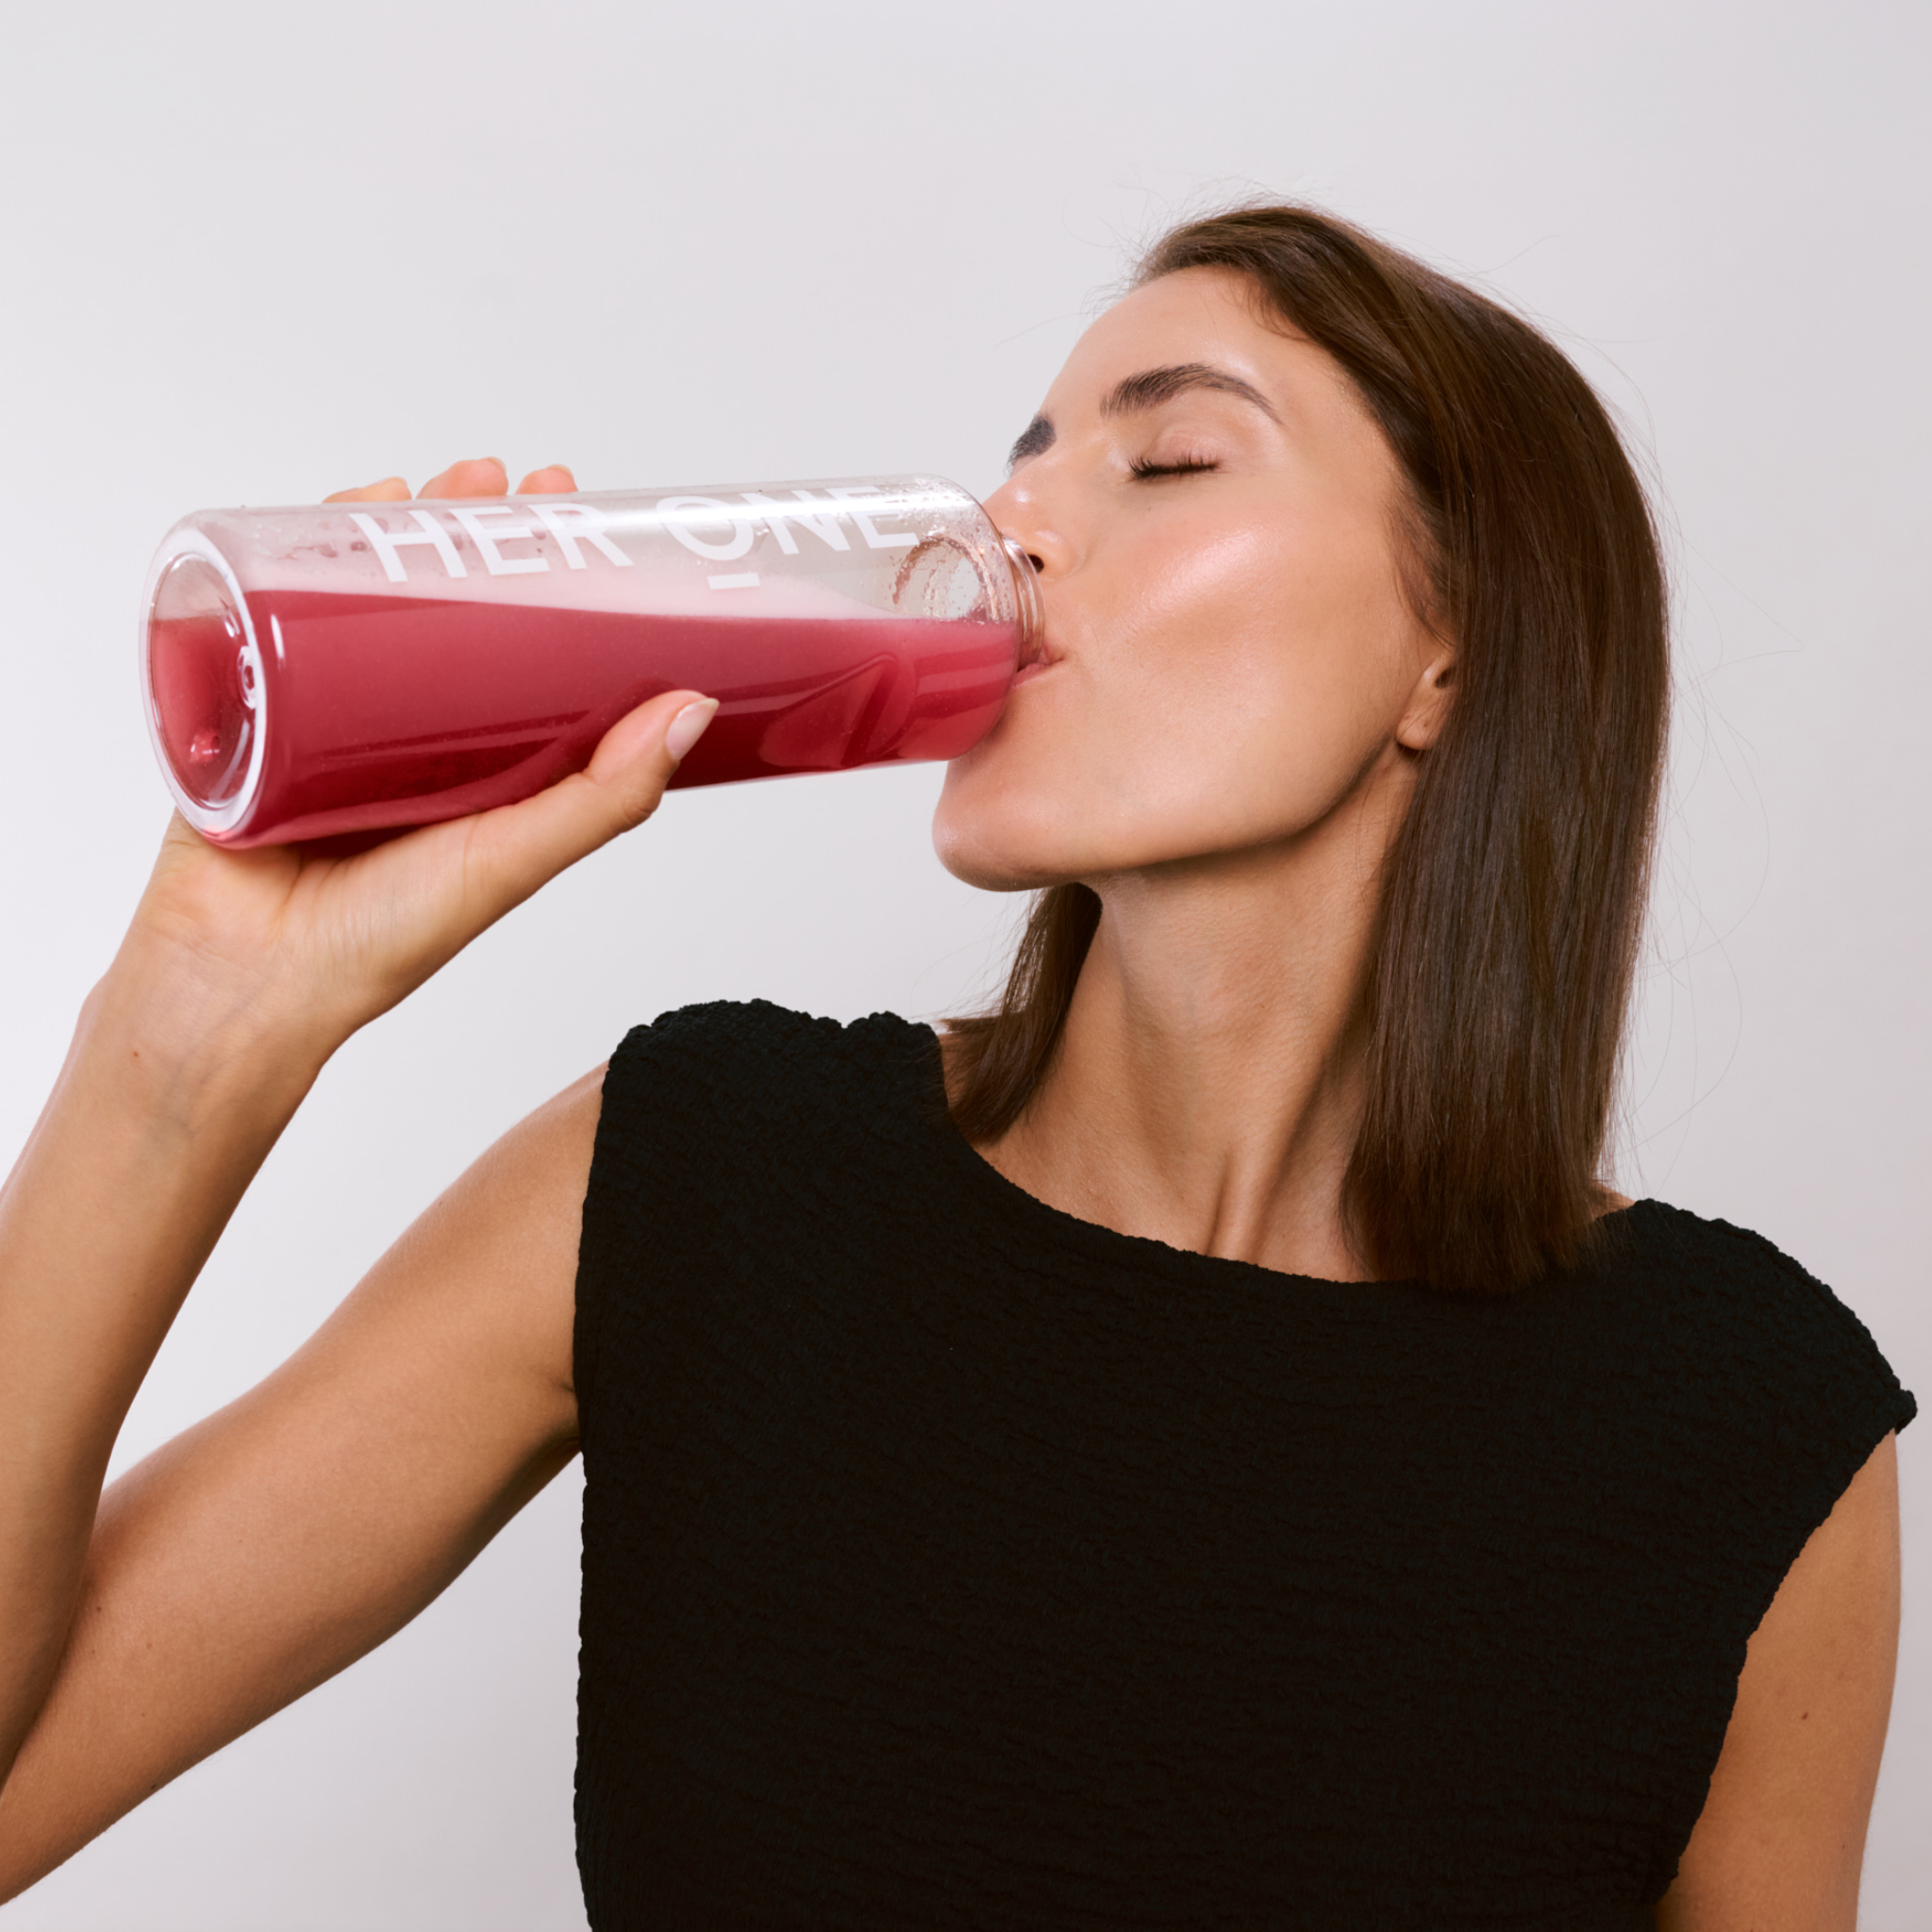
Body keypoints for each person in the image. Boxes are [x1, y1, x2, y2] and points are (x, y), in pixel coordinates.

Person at [0, 206, 1912, 1929]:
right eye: (1026, 462)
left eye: (1166, 456)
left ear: (1452, 657)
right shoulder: (700, 1173)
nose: (1011, 528)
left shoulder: (1744, 1427)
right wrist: (185, 1030)